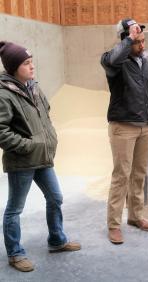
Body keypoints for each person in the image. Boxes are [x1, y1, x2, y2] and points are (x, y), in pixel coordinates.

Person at [0, 41, 81, 272]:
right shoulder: (4, 94)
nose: (32, 66)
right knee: (15, 208)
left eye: (31, 61)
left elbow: (45, 114)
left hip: (43, 157)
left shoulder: (33, 86)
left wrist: (49, 137)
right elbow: (1, 131)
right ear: (14, 67)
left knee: (55, 198)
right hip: (22, 161)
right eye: (26, 63)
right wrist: (27, 145)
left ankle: (56, 240)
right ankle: (15, 254)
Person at [101, 18, 148, 244]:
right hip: (123, 127)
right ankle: (114, 225)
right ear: (125, 39)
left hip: (145, 127)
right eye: (138, 40)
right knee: (121, 176)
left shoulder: (145, 63)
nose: (142, 44)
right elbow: (114, 58)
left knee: (139, 174)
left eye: (142, 40)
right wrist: (129, 39)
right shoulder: (113, 62)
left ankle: (136, 216)